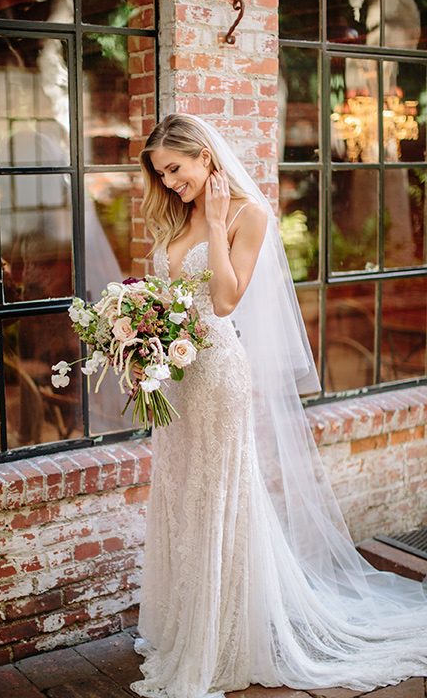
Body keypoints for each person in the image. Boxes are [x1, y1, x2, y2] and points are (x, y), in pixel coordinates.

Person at [130, 113, 427, 698]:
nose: (168, 183)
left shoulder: (249, 214)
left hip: (216, 378)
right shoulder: (172, 213)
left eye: (175, 168)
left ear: (205, 156)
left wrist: (215, 223)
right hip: (175, 381)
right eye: (161, 173)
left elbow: (222, 301)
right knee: (179, 495)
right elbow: (164, 296)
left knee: (218, 497)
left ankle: (222, 636)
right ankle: (189, 623)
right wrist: (138, 341)